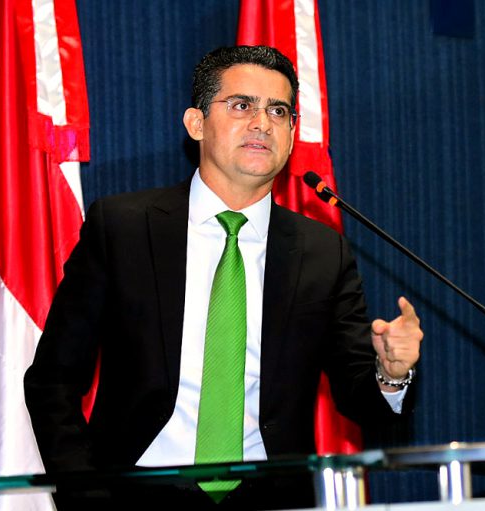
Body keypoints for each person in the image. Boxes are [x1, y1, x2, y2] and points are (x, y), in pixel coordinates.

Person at [24, 45, 423, 510]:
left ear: (292, 134)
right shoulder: (124, 228)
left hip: (272, 498)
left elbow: (358, 394)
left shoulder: (321, 251)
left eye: (278, 111)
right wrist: (86, 497)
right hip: (135, 496)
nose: (262, 123)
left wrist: (391, 375)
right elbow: (52, 380)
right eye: (241, 105)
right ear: (196, 123)